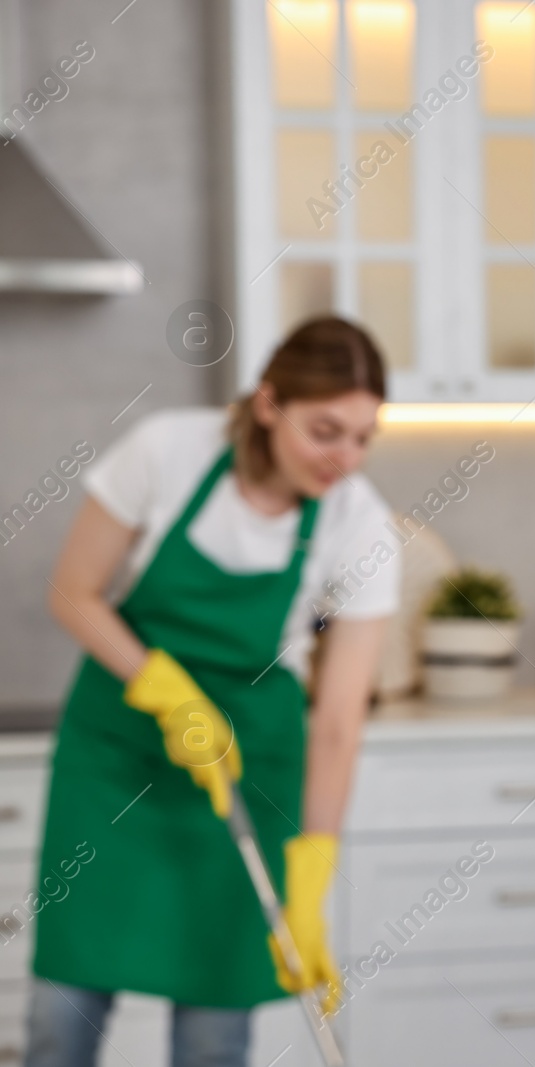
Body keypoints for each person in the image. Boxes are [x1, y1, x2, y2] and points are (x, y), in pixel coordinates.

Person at [26, 317, 400, 1067]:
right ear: (269, 403)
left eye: (364, 436)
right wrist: (165, 690)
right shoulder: (168, 450)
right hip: (116, 757)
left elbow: (336, 723)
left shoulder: (359, 521)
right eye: (326, 430)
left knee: (213, 1035)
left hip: (248, 773)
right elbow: (73, 593)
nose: (345, 458)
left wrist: (311, 870)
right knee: (61, 1020)